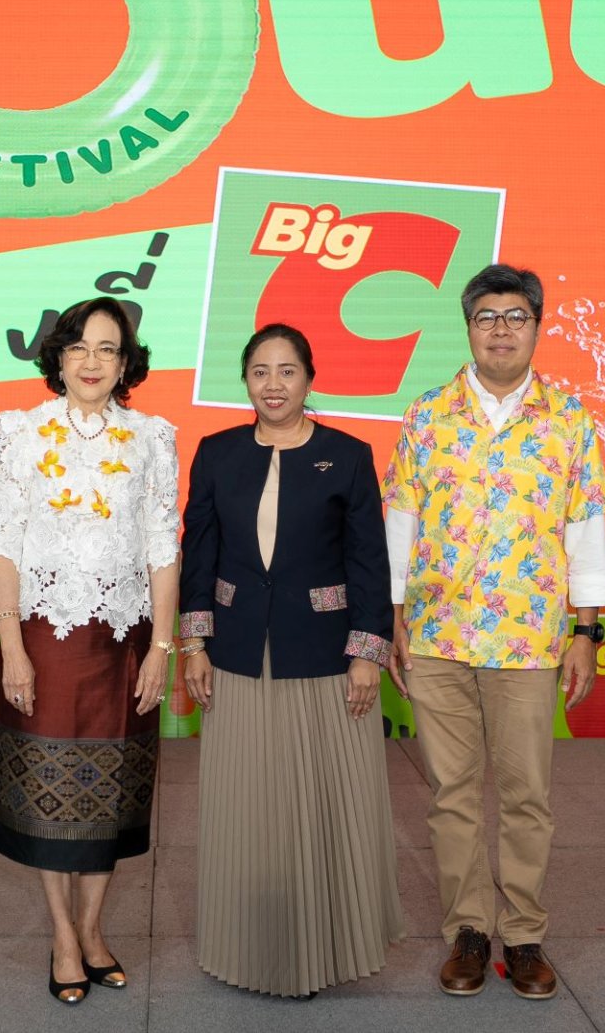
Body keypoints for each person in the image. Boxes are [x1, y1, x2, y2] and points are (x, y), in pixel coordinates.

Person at [381, 264, 605, 1000]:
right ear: (468, 327)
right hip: (436, 635)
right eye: (488, 317)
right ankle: (469, 933)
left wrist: (586, 631)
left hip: (528, 638)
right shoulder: (427, 415)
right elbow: (401, 524)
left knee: (526, 795)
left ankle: (524, 934)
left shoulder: (569, 420)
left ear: (537, 327)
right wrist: (391, 617)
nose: (502, 330)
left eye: (516, 317)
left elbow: (586, 533)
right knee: (451, 794)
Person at [180, 323, 404, 998]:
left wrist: (367, 653)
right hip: (236, 653)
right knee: (247, 807)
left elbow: (368, 561)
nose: (273, 384)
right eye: (260, 371)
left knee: (325, 808)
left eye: (286, 371)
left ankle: (327, 952)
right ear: (245, 380)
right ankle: (247, 952)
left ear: (309, 378)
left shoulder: (349, 454)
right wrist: (194, 643)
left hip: (325, 657)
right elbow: (199, 553)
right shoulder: (217, 452)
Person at [0, 296, 180, 1004]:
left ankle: (93, 929)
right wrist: (11, 645)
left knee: (111, 789)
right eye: (79, 347)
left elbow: (163, 546)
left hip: (125, 640)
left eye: (107, 349)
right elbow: (4, 541)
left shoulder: (153, 436)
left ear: (126, 364)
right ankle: (62, 935)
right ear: (58, 357)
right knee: (47, 787)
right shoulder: (18, 430)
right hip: (41, 636)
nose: (92, 361)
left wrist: (162, 646)